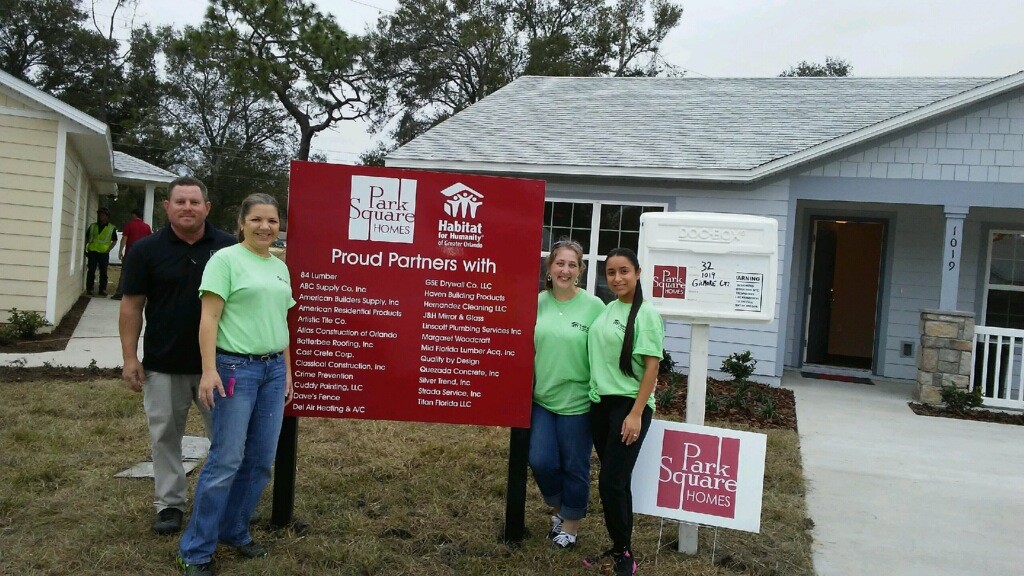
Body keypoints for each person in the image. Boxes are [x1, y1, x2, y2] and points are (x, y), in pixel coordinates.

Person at [177, 193, 294, 576]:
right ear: (241, 221)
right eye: (257, 219)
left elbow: (282, 324)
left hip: (273, 371)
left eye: (273, 221)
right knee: (226, 460)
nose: (265, 227)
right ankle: (195, 551)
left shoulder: (279, 266)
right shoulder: (224, 260)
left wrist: (287, 370)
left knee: (261, 460)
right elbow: (208, 319)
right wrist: (208, 370)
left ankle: (234, 529)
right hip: (234, 369)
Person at [119, 176, 236, 536]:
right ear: (167, 206)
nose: (188, 207)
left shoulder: (230, 249)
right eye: (180, 201)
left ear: (207, 208)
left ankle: (225, 503)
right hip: (163, 363)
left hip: (219, 365)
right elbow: (131, 305)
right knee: (165, 436)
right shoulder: (146, 250)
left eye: (195, 202)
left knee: (227, 439)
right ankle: (169, 504)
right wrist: (129, 357)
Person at [583, 248, 664, 576]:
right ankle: (620, 546)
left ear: (638, 273)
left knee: (611, 481)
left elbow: (652, 367)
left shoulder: (646, 314)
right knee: (616, 480)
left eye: (624, 271)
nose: (617, 278)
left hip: (629, 407)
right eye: (611, 272)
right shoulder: (608, 310)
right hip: (600, 406)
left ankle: (624, 555)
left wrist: (636, 413)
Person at [530, 239, 606, 549]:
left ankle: (570, 528)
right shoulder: (536, 302)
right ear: (549, 269)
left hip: (578, 401)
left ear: (580, 270)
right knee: (541, 460)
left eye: (572, 264)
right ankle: (561, 510)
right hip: (542, 398)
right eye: (559, 263)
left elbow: (606, 351)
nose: (565, 269)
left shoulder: (594, 306)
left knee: (575, 465)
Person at [111, 208, 153, 300]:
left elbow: (124, 239)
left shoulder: (129, 225)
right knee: (141, 273)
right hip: (142, 254)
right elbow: (150, 240)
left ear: (134, 215)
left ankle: (120, 293)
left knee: (125, 272)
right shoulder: (146, 227)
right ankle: (138, 293)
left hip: (130, 253)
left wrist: (120, 250)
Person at [85, 206, 118, 296]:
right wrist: (85, 248)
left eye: (103, 215)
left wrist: (109, 249)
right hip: (92, 252)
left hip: (104, 253)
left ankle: (102, 289)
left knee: (103, 272)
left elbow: (115, 240)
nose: (100, 216)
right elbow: (87, 238)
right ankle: (90, 289)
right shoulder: (93, 226)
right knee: (91, 271)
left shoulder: (111, 228)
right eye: (99, 214)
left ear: (107, 217)